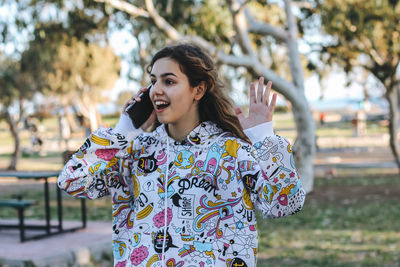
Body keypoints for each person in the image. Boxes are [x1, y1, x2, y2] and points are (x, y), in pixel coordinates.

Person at [58, 44, 306, 267]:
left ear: (198, 90)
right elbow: (72, 181)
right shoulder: (136, 151)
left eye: (169, 81)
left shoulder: (230, 151)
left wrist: (263, 138)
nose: (156, 90)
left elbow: (284, 204)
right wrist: (123, 131)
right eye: (153, 81)